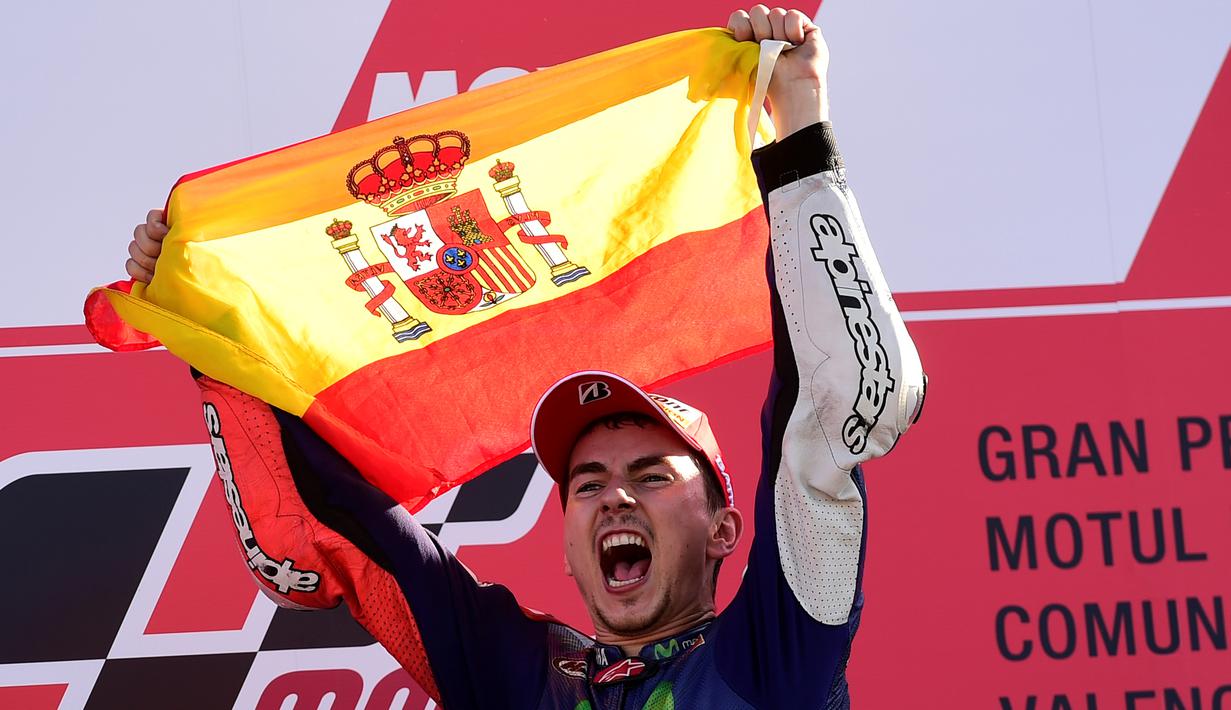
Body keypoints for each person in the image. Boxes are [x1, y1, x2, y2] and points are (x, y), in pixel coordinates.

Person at [125, 7, 925, 708]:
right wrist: (203, 315)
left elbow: (816, 419)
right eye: (587, 484)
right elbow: (350, 519)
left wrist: (798, 124)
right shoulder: (518, 677)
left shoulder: (774, 656)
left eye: (650, 475)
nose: (613, 498)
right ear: (570, 550)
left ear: (724, 527)